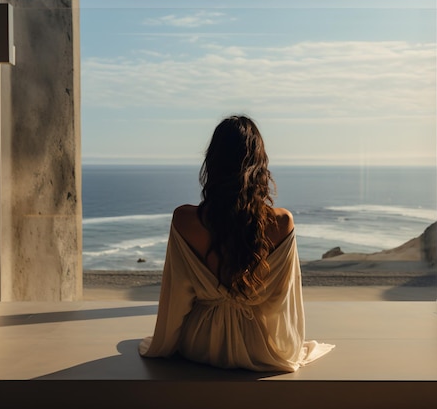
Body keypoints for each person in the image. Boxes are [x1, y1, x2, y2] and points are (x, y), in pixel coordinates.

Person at [139, 115, 334, 372]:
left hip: (199, 344)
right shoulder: (282, 222)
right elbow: (282, 303)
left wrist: (165, 345)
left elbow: (175, 299)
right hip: (258, 346)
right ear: (260, 165)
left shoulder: (184, 220)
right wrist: (284, 349)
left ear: (212, 162)